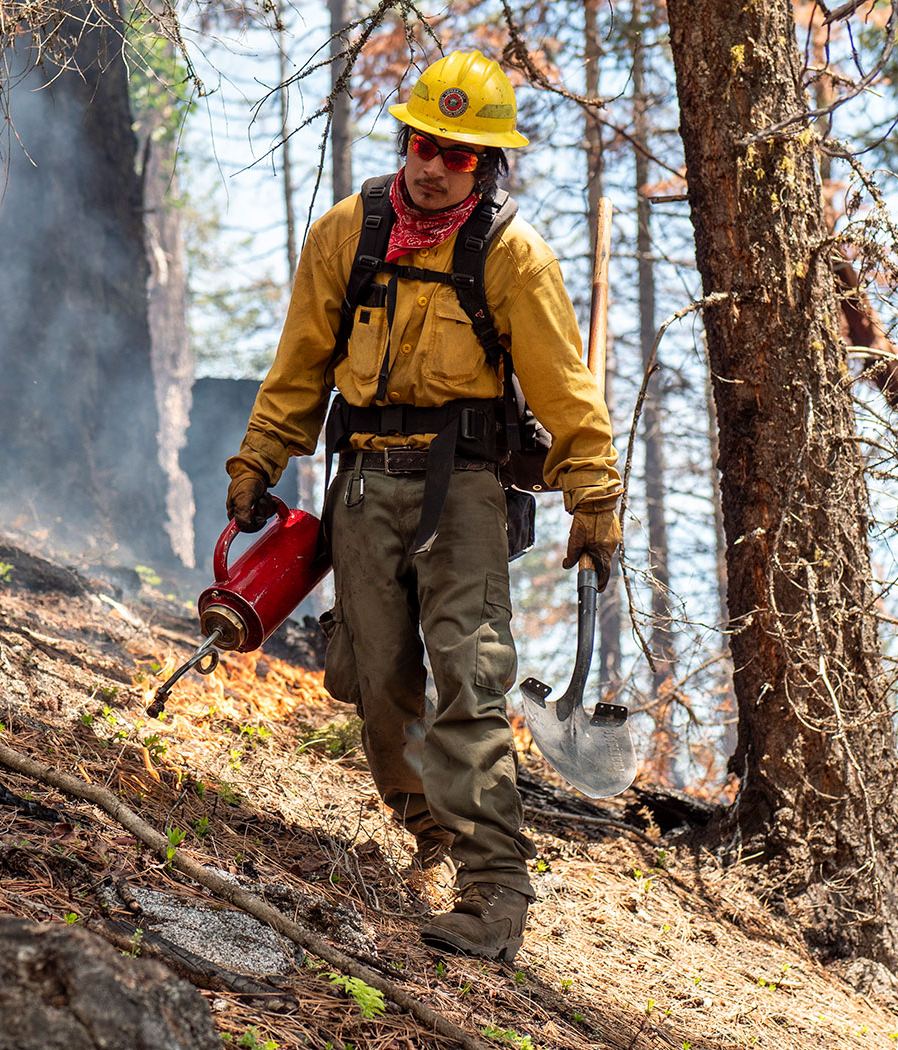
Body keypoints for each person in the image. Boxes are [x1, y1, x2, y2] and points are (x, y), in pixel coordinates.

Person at [225, 50, 622, 963]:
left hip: (466, 496)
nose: (434, 164)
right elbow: (298, 370)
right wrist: (260, 461)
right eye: (421, 142)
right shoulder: (346, 236)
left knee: (471, 685)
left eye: (458, 153)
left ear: (486, 166)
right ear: (404, 139)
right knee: (374, 682)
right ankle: (431, 837)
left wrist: (592, 498)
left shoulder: (513, 256)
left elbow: (566, 391)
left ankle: (493, 893)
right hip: (362, 485)